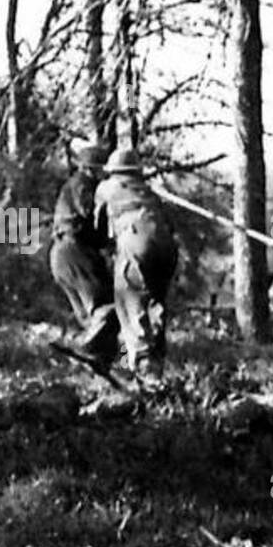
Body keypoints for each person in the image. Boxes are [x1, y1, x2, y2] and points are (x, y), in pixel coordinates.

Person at [93, 147, 178, 378]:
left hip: (135, 245)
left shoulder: (107, 188)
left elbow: (99, 229)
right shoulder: (151, 193)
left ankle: (142, 368)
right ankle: (156, 363)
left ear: (114, 171)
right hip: (167, 248)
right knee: (156, 305)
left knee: (130, 305)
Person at [50, 138, 117, 366]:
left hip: (62, 254)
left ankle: (100, 361)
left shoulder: (74, 185)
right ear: (93, 169)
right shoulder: (84, 186)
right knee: (108, 307)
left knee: (92, 319)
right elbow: (92, 215)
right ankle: (84, 347)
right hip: (75, 251)